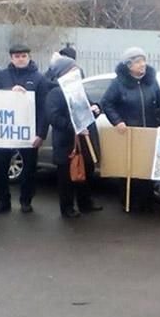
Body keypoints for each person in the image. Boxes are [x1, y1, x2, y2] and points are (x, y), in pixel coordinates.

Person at [0, 44, 50, 214]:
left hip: (28, 132)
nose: (20, 59)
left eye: (23, 56)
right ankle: (2, 201)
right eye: (17, 56)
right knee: (0, 167)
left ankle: (26, 200)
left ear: (29, 57)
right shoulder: (2, 75)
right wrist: (9, 91)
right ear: (11, 58)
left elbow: (44, 108)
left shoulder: (39, 78)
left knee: (29, 169)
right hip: (5, 132)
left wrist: (41, 133)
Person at [100, 47, 160, 212]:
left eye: (143, 61)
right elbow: (106, 103)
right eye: (138, 62)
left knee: (147, 167)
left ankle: (146, 204)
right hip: (128, 132)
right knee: (129, 168)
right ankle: (129, 203)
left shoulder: (151, 81)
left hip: (149, 131)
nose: (142, 64)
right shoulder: (118, 83)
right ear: (129, 65)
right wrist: (117, 121)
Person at [44, 56, 102, 218]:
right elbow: (53, 118)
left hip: (85, 141)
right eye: (72, 70)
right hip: (67, 143)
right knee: (67, 176)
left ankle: (85, 203)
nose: (77, 72)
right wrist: (75, 128)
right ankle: (67, 207)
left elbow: (87, 113)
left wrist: (96, 109)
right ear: (63, 73)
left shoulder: (79, 91)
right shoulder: (55, 93)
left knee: (86, 172)